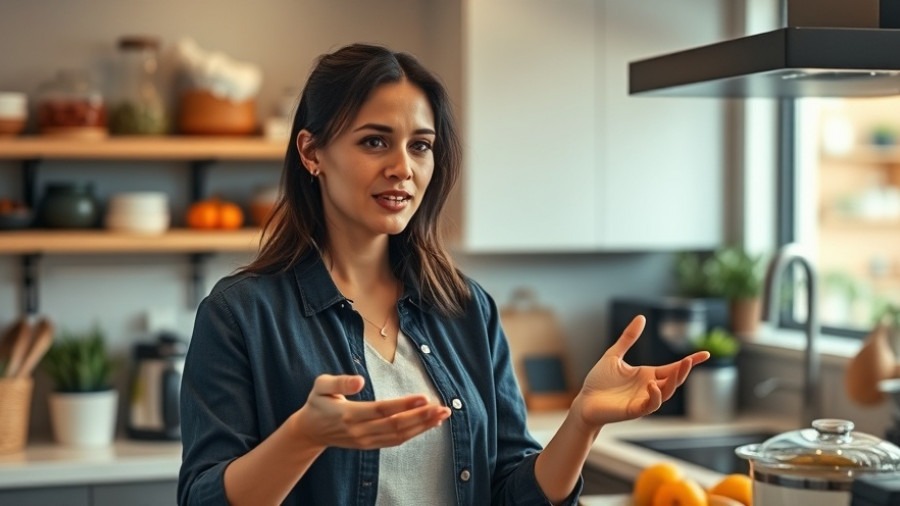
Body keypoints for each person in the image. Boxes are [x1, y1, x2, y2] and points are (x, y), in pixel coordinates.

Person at [177, 43, 709, 506]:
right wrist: (304, 435)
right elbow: (204, 498)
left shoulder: (465, 308)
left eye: (420, 145)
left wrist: (583, 420)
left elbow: (511, 491)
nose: (403, 168)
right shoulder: (240, 314)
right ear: (312, 152)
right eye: (374, 141)